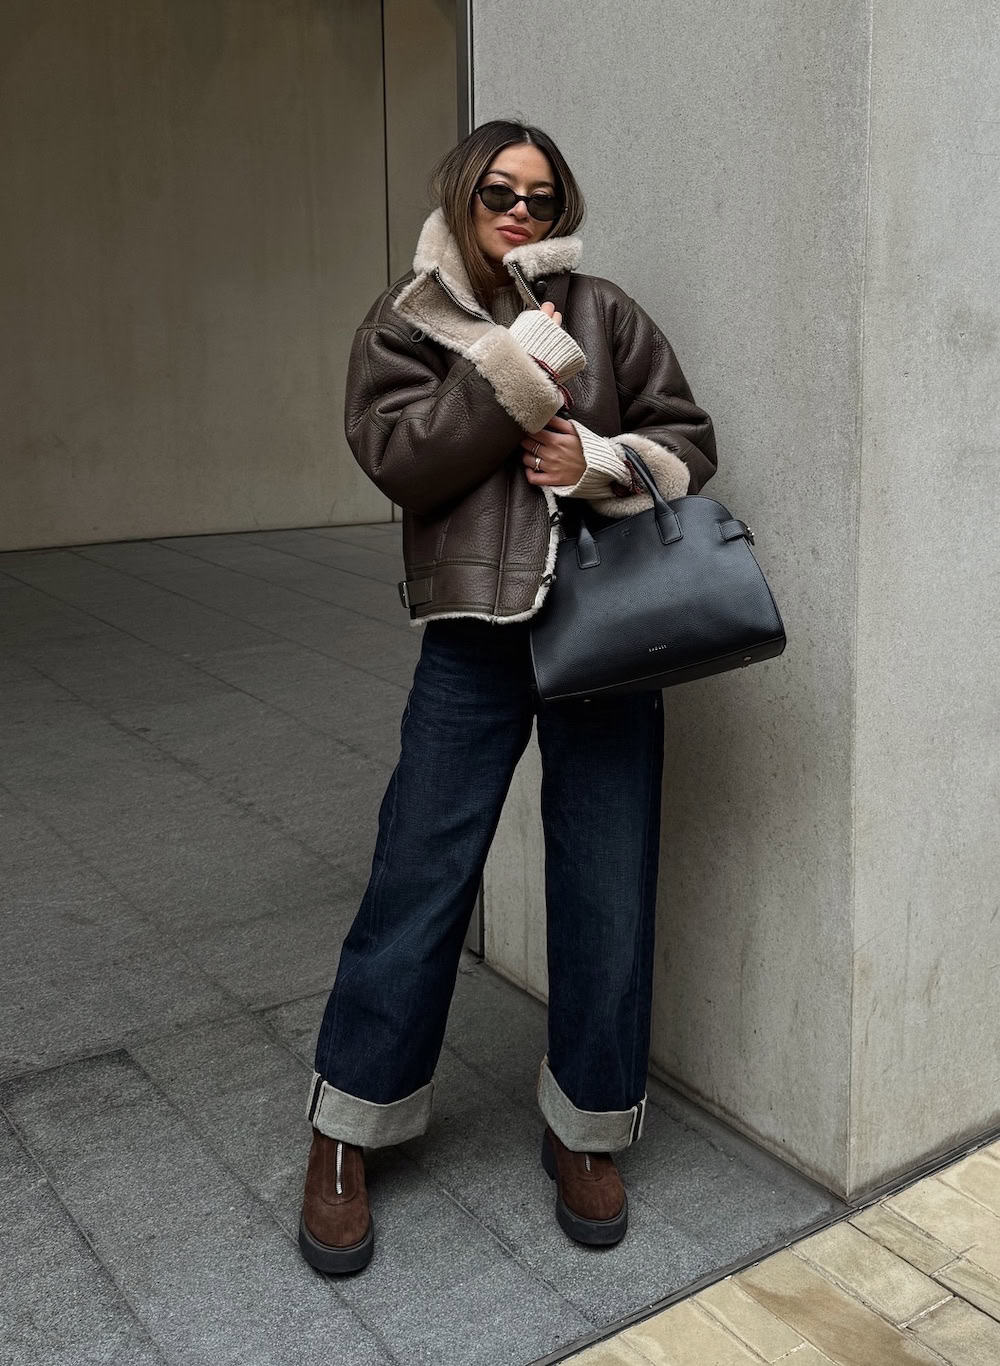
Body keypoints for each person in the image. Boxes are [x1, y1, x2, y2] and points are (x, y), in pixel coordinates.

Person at [298, 119, 717, 1274]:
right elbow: (398, 457)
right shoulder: (413, 314)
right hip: (472, 642)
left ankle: (586, 1126)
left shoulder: (608, 311)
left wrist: (598, 460)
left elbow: (688, 439)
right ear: (464, 195)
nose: (520, 210)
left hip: (604, 634)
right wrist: (513, 379)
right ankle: (348, 1126)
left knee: (605, 884)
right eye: (498, 191)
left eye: (541, 193)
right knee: (418, 877)